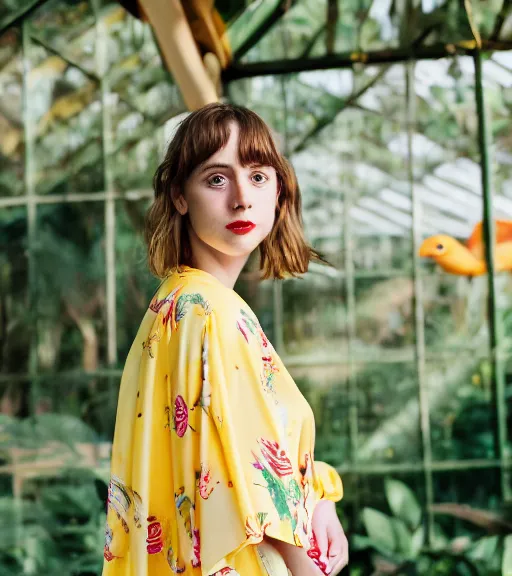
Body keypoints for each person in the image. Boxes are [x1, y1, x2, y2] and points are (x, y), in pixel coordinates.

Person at [102, 103, 348, 576]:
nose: (241, 198)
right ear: (179, 196)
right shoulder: (208, 311)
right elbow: (245, 481)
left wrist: (318, 499)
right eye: (217, 178)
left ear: (278, 191)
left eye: (258, 176)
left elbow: (249, 441)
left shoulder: (179, 304)